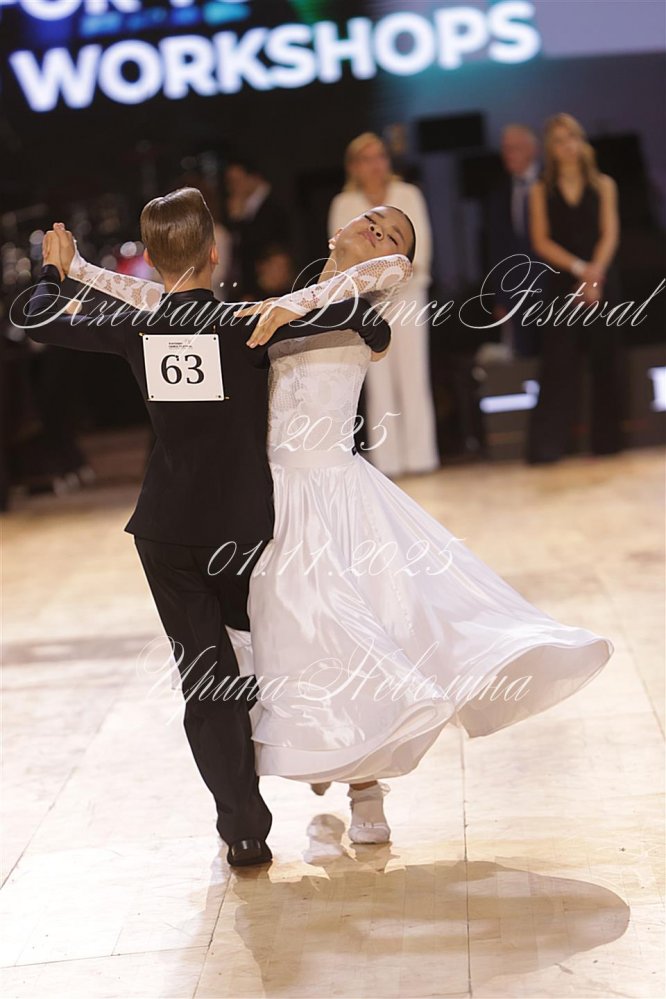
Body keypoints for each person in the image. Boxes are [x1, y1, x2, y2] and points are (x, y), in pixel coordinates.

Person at [82, 205, 614, 846]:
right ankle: (312, 764)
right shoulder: (272, 306)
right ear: (335, 229)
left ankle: (366, 791)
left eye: (394, 234)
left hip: (332, 498)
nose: (378, 231)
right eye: (371, 220)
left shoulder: (368, 298)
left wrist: (287, 307)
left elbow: (369, 276)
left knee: (356, 635)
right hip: (262, 497)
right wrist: (80, 270)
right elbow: (165, 297)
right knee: (285, 646)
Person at [18, 189, 393, 867]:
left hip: (167, 529)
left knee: (207, 679)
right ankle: (327, 759)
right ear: (215, 254)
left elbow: (31, 313)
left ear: (151, 259)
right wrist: (292, 306)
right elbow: (366, 318)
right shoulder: (248, 324)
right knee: (265, 656)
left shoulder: (135, 326)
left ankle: (244, 830)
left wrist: (57, 269)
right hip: (244, 528)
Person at [329, 133, 439, 477]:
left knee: (414, 375)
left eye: (380, 156)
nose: (375, 165)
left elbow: (420, 250)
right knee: (377, 380)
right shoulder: (344, 203)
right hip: (367, 300)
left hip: (408, 294)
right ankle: (387, 461)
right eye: (366, 159)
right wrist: (371, 281)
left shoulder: (408, 195)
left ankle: (421, 457)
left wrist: (394, 273)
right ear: (353, 167)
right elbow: (342, 254)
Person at [527, 113, 623, 463]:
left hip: (602, 279)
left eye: (572, 138)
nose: (567, 146)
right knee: (558, 363)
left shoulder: (604, 185)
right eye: (559, 140)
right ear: (550, 149)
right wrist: (580, 270)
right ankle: (547, 448)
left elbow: (610, 233)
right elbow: (541, 241)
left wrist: (595, 274)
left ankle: (608, 443)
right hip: (561, 281)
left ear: (582, 142)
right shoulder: (540, 190)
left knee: (605, 359)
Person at [484, 123, 541, 358]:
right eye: (505, 149)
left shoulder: (551, 184)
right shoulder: (498, 194)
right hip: (517, 291)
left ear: (532, 149)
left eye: (515, 148)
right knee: (523, 358)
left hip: (555, 288)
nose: (508, 155)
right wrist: (501, 298)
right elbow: (497, 251)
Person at [222, 159, 289, 301]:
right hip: (249, 286)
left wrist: (239, 221)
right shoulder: (239, 206)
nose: (233, 187)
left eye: (237, 181)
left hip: (270, 286)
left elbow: (255, 247)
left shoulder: (274, 205)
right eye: (230, 182)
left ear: (253, 178)